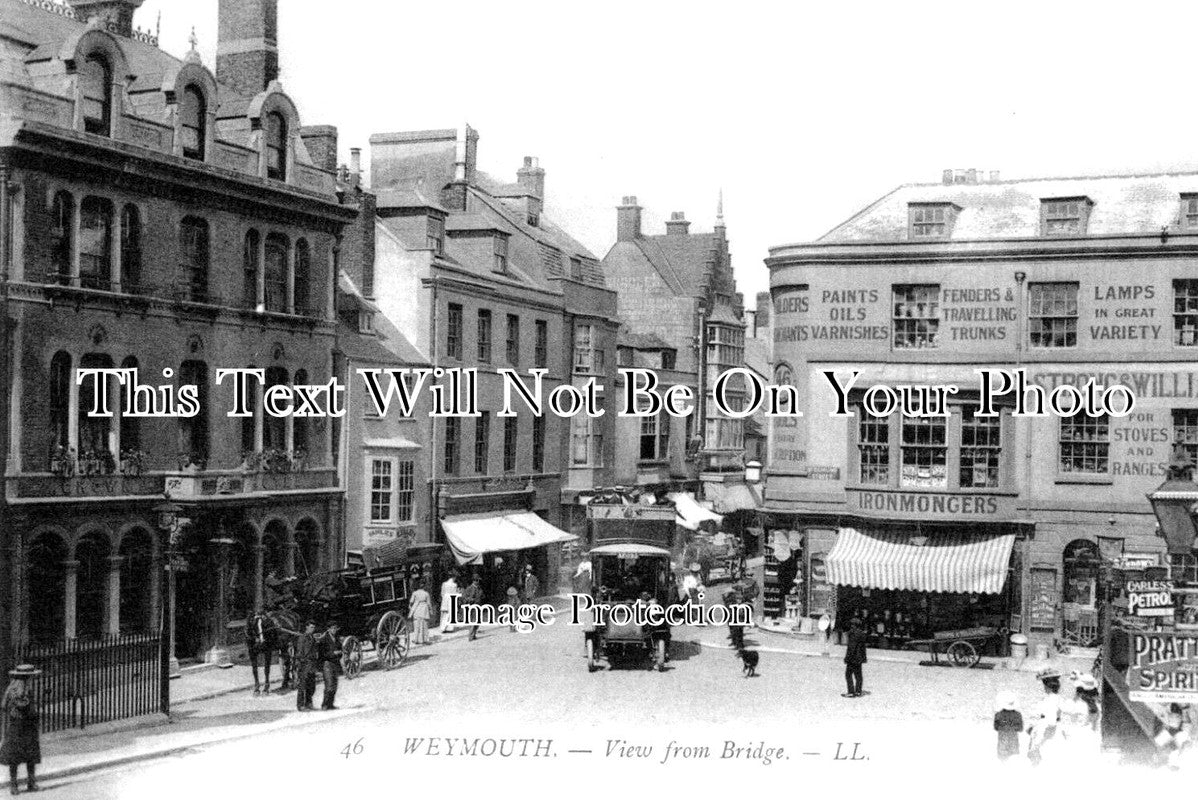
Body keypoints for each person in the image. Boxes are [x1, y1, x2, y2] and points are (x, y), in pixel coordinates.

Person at [0, 665, 41, 795]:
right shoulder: (26, 689)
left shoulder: (11, 688)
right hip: (26, 725)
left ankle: (14, 785)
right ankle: (31, 782)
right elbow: (28, 708)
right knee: (31, 754)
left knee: (14, 757)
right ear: (28, 677)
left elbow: (3, 706)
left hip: (14, 726)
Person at [1027, 668, 1062, 765]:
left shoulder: (1049, 700)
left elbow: (1050, 721)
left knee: (1037, 755)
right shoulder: (1057, 698)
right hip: (1053, 728)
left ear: (1048, 687)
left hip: (1046, 731)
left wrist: (1036, 736)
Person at [293, 620, 320, 711]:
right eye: (311, 627)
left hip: (312, 664)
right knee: (302, 686)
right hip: (304, 664)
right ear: (306, 627)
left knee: (311, 686)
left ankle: (309, 703)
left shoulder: (312, 637)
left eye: (314, 627)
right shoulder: (302, 638)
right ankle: (300, 706)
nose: (313, 629)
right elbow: (299, 652)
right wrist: (300, 663)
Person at [317, 622, 342, 711]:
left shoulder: (337, 638)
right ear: (328, 629)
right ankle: (324, 705)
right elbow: (322, 654)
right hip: (327, 664)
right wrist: (333, 653)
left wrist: (339, 653)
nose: (334, 630)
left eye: (335, 628)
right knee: (329, 685)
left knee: (335, 685)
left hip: (335, 663)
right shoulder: (323, 640)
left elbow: (340, 649)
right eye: (332, 628)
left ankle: (331, 704)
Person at [993, 692, 1023, 762]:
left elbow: (996, 727)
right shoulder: (1017, 715)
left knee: (1002, 759)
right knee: (1013, 759)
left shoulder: (998, 714)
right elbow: (1020, 728)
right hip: (1013, 739)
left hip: (1002, 738)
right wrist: (1012, 727)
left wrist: (1004, 727)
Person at [843, 617, 867, 698]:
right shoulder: (862, 634)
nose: (851, 626)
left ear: (854, 625)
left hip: (852, 658)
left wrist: (847, 658)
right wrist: (864, 658)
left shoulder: (853, 634)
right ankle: (858, 691)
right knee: (858, 675)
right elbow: (863, 648)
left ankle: (851, 692)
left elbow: (851, 647)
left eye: (852, 625)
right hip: (859, 658)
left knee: (848, 674)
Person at [409, 580, 432, 645]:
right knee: (425, 625)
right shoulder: (426, 593)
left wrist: (411, 608)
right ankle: (425, 640)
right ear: (424, 586)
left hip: (416, 608)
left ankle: (416, 639)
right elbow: (429, 603)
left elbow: (411, 602)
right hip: (424, 609)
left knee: (416, 625)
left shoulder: (414, 593)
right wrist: (431, 611)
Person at [462, 576, 483, 641]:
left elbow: (482, 596)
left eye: (478, 580)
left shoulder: (479, 588)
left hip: (478, 605)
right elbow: (464, 597)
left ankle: (473, 634)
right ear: (474, 581)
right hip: (472, 606)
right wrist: (471, 599)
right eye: (477, 580)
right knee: (473, 621)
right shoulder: (469, 588)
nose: (478, 582)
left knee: (478, 621)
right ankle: (470, 636)